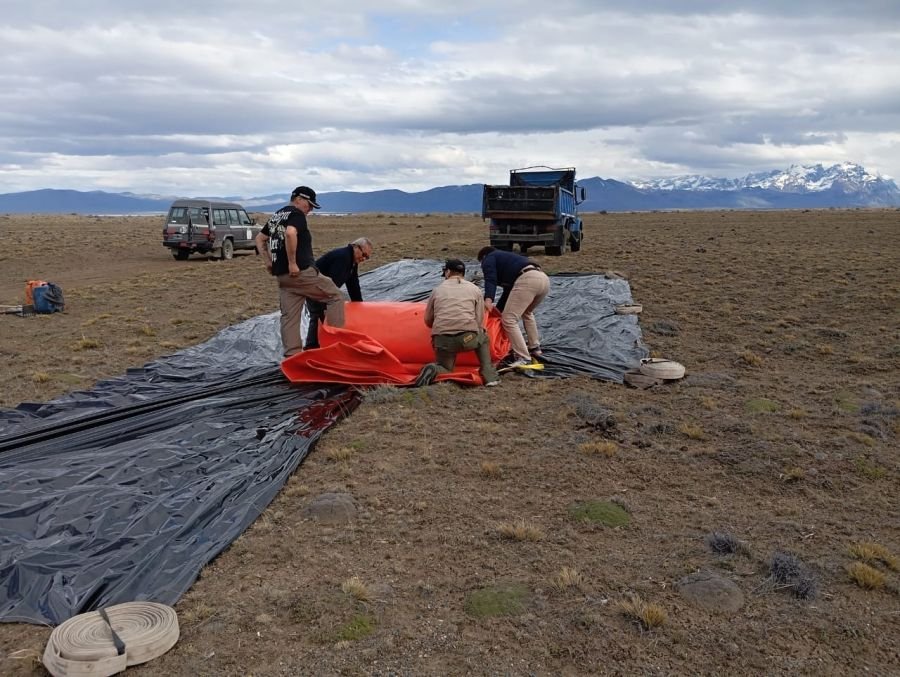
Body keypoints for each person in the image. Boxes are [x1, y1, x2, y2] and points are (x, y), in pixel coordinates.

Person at [255, 186, 345, 357]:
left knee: (289, 317)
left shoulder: (277, 215)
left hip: (283, 277)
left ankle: (292, 357)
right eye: (309, 205)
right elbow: (290, 233)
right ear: (298, 199)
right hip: (301, 273)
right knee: (335, 296)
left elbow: (260, 238)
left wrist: (268, 262)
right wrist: (292, 263)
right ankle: (335, 347)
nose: (310, 209)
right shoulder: (297, 214)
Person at [414, 259, 501, 388]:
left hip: (442, 340)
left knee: (446, 368)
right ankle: (489, 376)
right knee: (483, 337)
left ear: (448, 272)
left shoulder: (437, 290)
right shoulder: (474, 289)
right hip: (467, 338)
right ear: (463, 273)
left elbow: (427, 320)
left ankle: (434, 369)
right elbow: (479, 320)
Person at [477, 245, 550, 367]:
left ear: (483, 257)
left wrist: (488, 299)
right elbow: (508, 293)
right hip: (543, 279)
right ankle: (535, 348)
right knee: (527, 313)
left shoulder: (489, 258)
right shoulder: (507, 260)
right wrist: (497, 311)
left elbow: (490, 279)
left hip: (527, 280)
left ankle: (523, 357)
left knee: (509, 319)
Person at [304, 237, 374, 349]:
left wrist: (359, 304)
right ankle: (312, 347)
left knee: (324, 315)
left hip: (324, 289)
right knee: (318, 316)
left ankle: (321, 345)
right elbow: (332, 283)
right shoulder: (343, 258)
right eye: (364, 255)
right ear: (355, 247)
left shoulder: (352, 261)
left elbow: (353, 284)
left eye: (367, 257)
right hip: (314, 288)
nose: (364, 259)